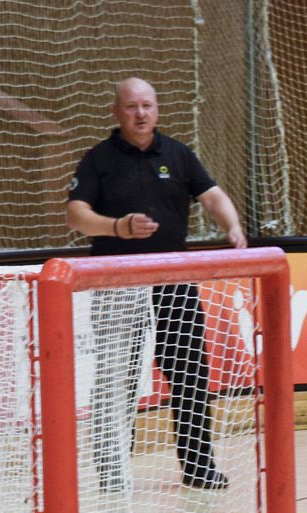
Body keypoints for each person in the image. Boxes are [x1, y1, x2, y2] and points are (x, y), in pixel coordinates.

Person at [65, 77, 246, 489]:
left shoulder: (179, 155)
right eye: (131, 107)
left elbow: (213, 196)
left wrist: (232, 226)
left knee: (189, 373)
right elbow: (75, 215)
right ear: (116, 112)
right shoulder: (98, 159)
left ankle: (199, 468)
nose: (141, 113)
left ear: (158, 109)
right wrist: (118, 227)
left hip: (174, 281)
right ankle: (113, 472)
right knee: (116, 376)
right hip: (116, 284)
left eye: (147, 105)